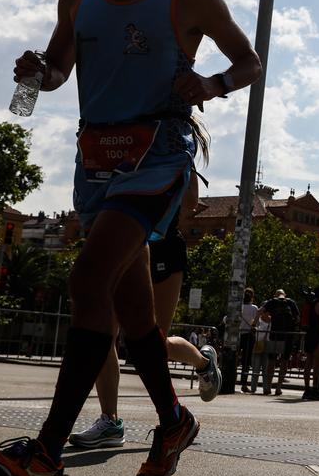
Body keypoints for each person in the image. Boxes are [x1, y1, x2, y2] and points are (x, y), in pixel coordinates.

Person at [0, 0, 261, 476]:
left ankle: (45, 455)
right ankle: (176, 421)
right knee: (134, 319)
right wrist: (34, 75)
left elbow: (249, 61)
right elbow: (55, 71)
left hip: (158, 156)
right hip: (95, 158)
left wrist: (210, 85)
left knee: (87, 279)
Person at [68, 170, 222, 450]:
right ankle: (110, 421)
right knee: (105, 335)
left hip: (163, 247)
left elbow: (189, 204)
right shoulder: (114, 140)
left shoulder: (174, 147)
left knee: (155, 343)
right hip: (121, 242)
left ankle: (203, 363)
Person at [261, 288, 299, 396]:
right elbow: (297, 318)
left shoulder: (272, 302)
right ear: (285, 295)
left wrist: (269, 319)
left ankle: (268, 387)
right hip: (287, 336)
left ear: (275, 295)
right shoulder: (291, 302)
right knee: (284, 361)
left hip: (275, 334)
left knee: (271, 361)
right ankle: (278, 387)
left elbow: (261, 312)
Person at [300, 286, 319, 400]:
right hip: (318, 335)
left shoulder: (309, 304)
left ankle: (307, 389)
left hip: (309, 334)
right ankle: (315, 388)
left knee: (308, 363)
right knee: (318, 364)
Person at [238, 287, 259, 392]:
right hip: (248, 335)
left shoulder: (238, 307)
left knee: (234, 358)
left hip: (238, 335)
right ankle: (244, 384)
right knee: (246, 361)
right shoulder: (254, 308)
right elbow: (256, 323)